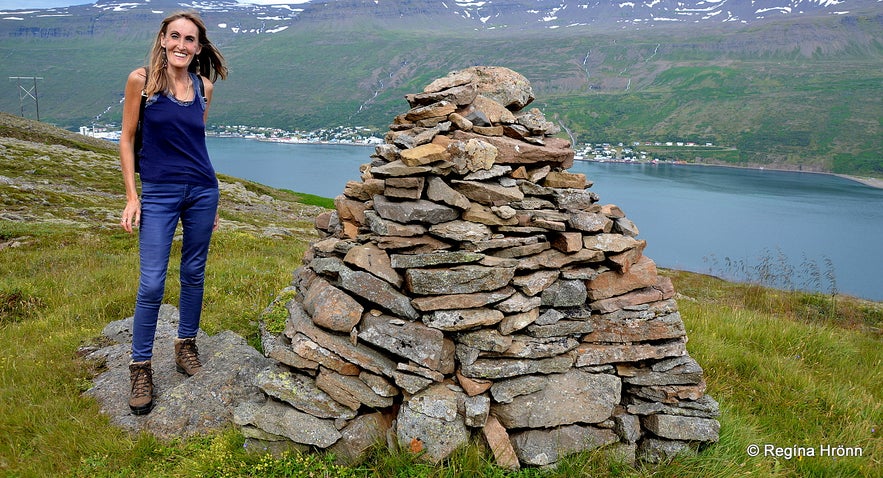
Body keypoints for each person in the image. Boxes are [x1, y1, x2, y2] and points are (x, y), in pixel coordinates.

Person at [118, 10, 228, 415]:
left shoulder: (203, 86)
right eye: (175, 36)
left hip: (202, 190)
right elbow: (127, 140)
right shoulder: (142, 81)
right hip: (159, 192)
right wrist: (134, 196)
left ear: (198, 47)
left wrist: (212, 196)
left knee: (194, 272)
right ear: (163, 39)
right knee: (151, 283)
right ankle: (140, 366)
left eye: (190, 39)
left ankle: (186, 345)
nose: (182, 45)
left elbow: (193, 143)